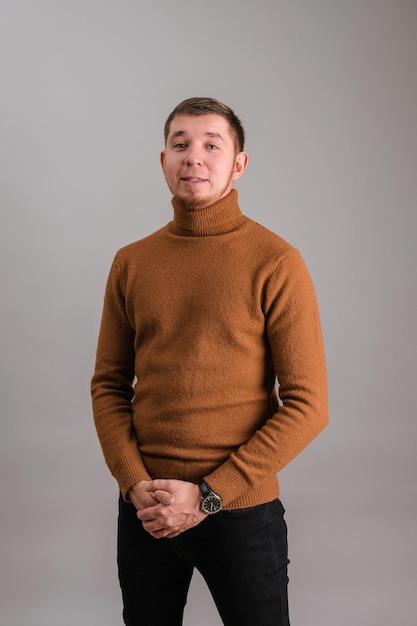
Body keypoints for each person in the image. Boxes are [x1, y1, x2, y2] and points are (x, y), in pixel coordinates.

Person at [91, 96, 328, 626]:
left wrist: (208, 497)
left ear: (238, 164)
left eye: (211, 145)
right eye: (180, 144)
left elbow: (309, 406)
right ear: (163, 161)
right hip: (146, 510)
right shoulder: (132, 262)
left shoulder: (276, 261)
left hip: (239, 512)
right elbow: (108, 385)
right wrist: (133, 485)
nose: (193, 157)